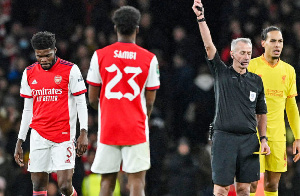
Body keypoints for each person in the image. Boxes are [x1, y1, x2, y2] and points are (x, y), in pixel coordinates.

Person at [192, 1, 271, 195]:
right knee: (221, 189)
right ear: (233, 53)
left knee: (244, 189)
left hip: (248, 139)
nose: (246, 56)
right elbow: (209, 46)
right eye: (242, 52)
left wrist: (263, 139)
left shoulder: (256, 81)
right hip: (224, 138)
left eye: (249, 53)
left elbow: (261, 113)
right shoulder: (221, 73)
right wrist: (201, 18)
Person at [86, 6, 160, 196]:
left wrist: (107, 110)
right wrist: (141, 115)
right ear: (137, 28)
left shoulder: (99, 55)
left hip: (109, 125)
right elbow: (150, 102)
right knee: (137, 183)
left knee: (107, 182)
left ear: (115, 28)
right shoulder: (149, 59)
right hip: (135, 127)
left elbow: (92, 98)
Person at [14, 31, 88, 196]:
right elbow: (27, 109)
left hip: (64, 135)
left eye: (47, 55)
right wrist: (20, 140)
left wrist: (83, 132)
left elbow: (81, 102)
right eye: (39, 56)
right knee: (38, 184)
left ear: (55, 50)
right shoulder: (29, 73)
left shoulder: (71, 70)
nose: (43, 59)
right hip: (39, 134)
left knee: (64, 185)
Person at [248, 26, 300, 196]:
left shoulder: (288, 71)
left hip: (277, 135)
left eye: (280, 41)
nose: (277, 45)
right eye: (273, 41)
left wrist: (298, 137)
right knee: (253, 184)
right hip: (253, 133)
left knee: (272, 185)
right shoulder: (252, 66)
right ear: (263, 43)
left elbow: (291, 106)